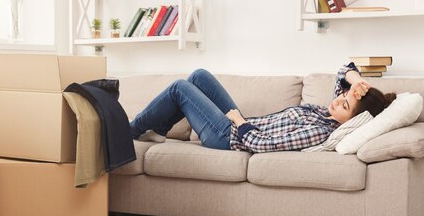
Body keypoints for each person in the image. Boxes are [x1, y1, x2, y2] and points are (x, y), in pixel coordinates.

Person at [130, 64, 396, 153]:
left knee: (180, 87)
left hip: (231, 138)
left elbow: (262, 145)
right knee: (199, 76)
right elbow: (342, 70)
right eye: (344, 95)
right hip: (239, 123)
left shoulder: (320, 131)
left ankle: (129, 130)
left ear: (350, 120)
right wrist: (356, 82)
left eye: (345, 104)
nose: (338, 100)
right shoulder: (326, 111)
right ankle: (160, 129)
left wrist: (238, 122)